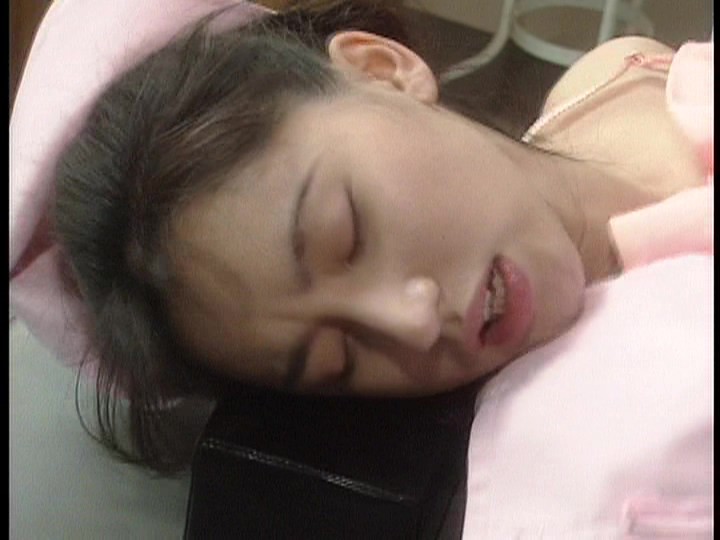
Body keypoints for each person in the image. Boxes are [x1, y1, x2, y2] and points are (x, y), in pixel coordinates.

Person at [11, 0, 711, 473]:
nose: (414, 322)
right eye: (339, 360)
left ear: (382, 69)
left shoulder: (615, 73)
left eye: (348, 235)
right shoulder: (622, 444)